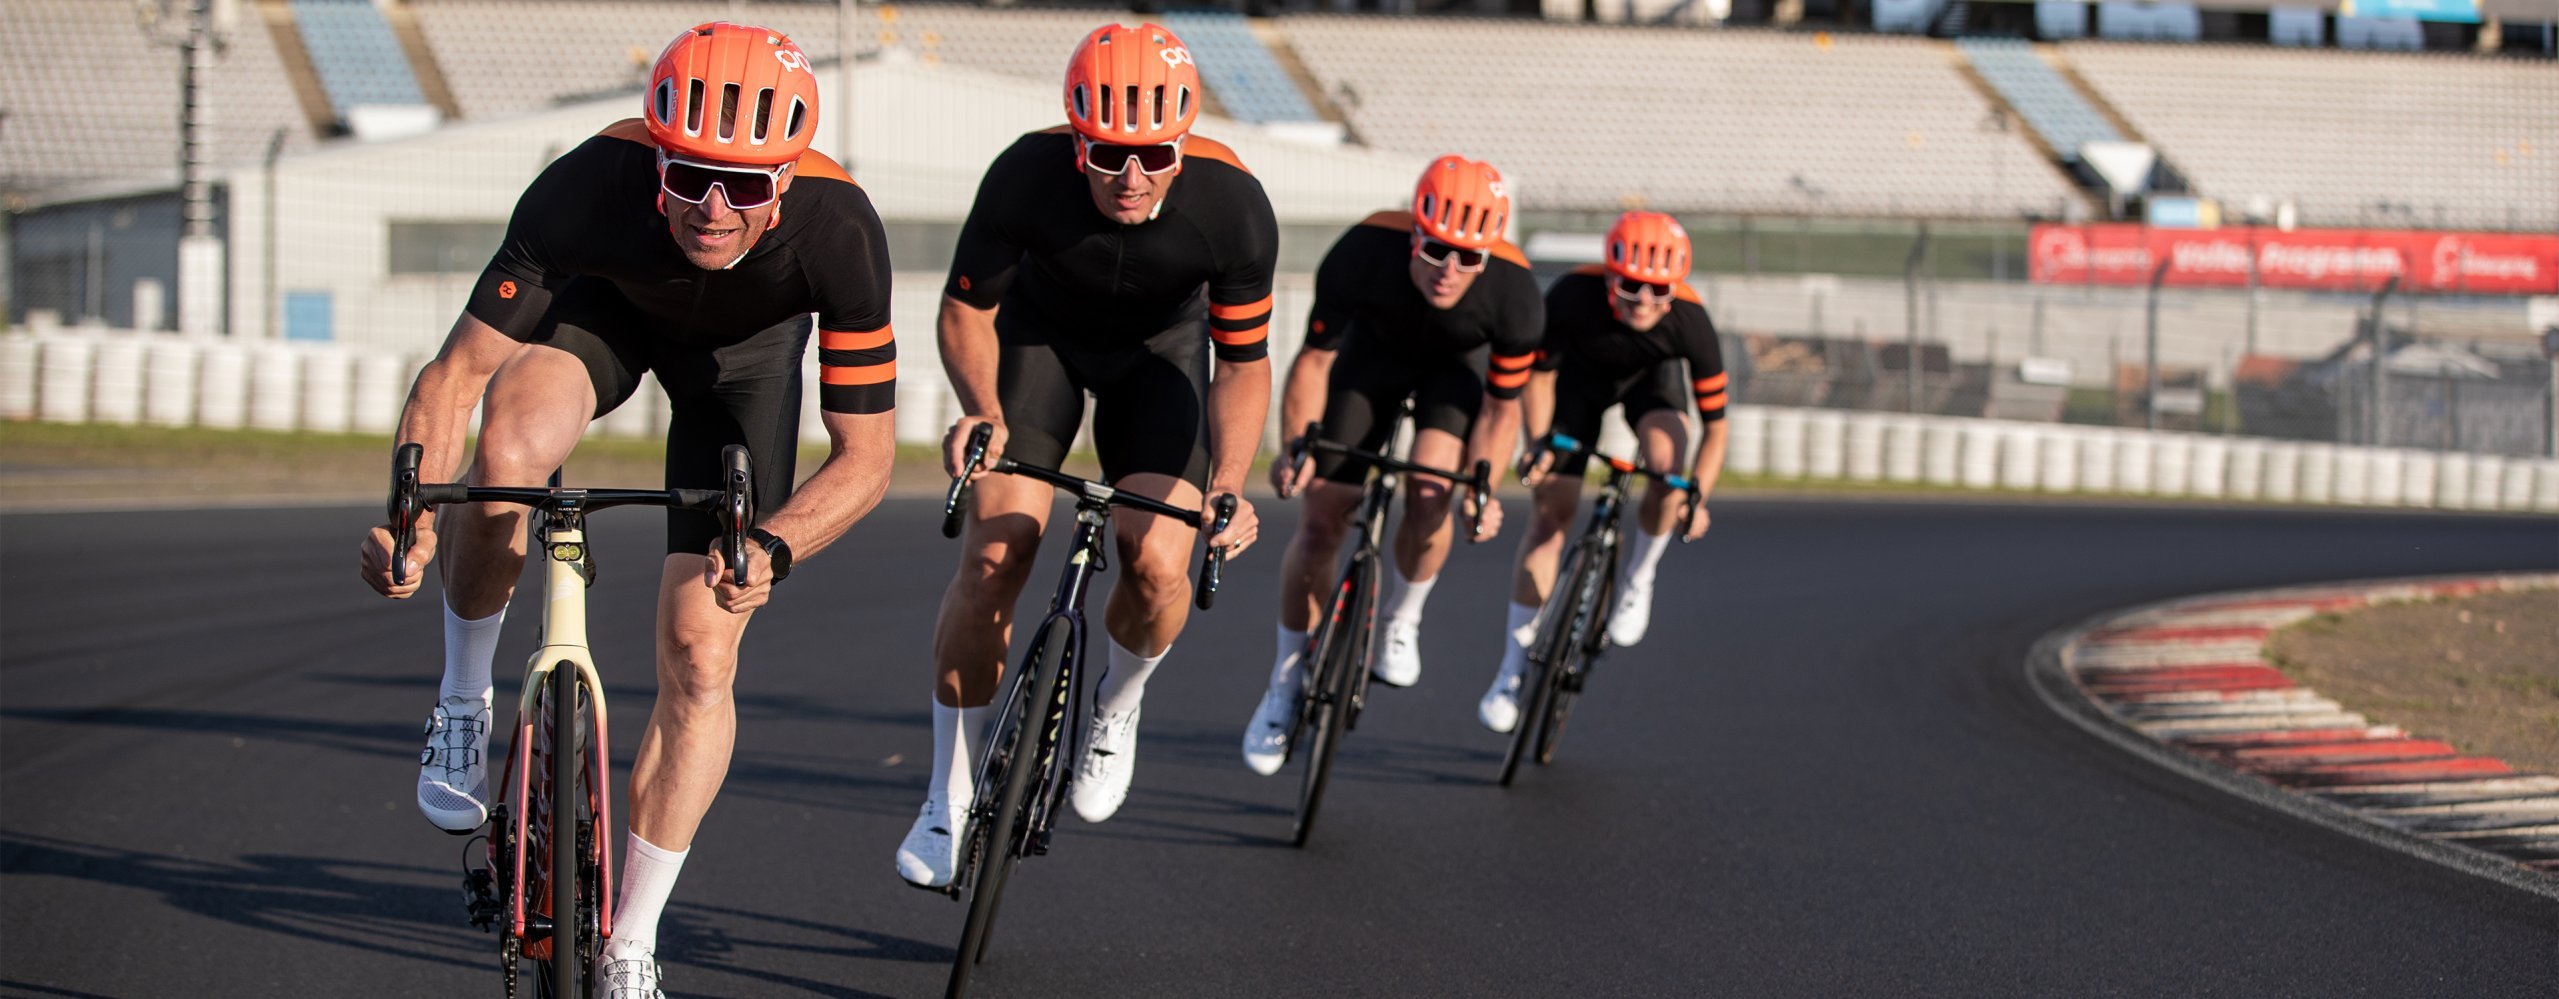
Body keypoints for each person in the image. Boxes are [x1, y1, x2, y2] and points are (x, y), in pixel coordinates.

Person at [356, 22, 896, 997]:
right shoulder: (589, 182)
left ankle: (630, 941)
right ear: (657, 156)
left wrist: (774, 546)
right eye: (690, 177)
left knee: (702, 649)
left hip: (746, 367)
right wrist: (411, 515)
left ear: (790, 177)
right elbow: (454, 375)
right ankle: (463, 697)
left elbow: (867, 458)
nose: (715, 208)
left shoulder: (842, 228)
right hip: (605, 315)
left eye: (746, 185)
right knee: (508, 452)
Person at [896, 22, 1276, 889]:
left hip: (1161, 360)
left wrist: (1226, 483)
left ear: (1181, 144)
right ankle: (944, 794)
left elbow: (1244, 363)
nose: (1131, 176)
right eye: (1107, 154)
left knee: (1154, 555)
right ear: (1076, 138)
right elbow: (967, 313)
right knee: (995, 556)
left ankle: (1118, 701)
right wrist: (981, 408)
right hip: (1041, 349)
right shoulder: (1023, 174)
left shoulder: (1232, 203)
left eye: (1152, 154)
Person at [1240, 155, 1541, 775]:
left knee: (1432, 489)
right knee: (1321, 520)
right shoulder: (1365, 246)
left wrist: (1482, 487)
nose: (1450, 270)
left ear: (1490, 253)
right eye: (1434, 252)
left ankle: (1402, 617)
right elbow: (1315, 362)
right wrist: (1296, 445)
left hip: (1454, 373)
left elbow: (1500, 412)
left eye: (1468, 257)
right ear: (1414, 232)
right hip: (1370, 361)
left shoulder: (1514, 290)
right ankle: (1285, 679)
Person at [1476, 211, 1728, 733]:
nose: (1643, 301)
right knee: (1550, 518)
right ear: (1610, 273)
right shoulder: (1573, 294)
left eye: (1658, 290)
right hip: (1578, 387)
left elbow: (1716, 427)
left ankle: (1639, 574)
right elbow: (1539, 379)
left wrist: (1696, 498)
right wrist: (1540, 445)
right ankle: (1510, 670)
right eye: (1631, 286)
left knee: (1666, 467)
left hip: (1650, 386)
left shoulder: (1690, 318)